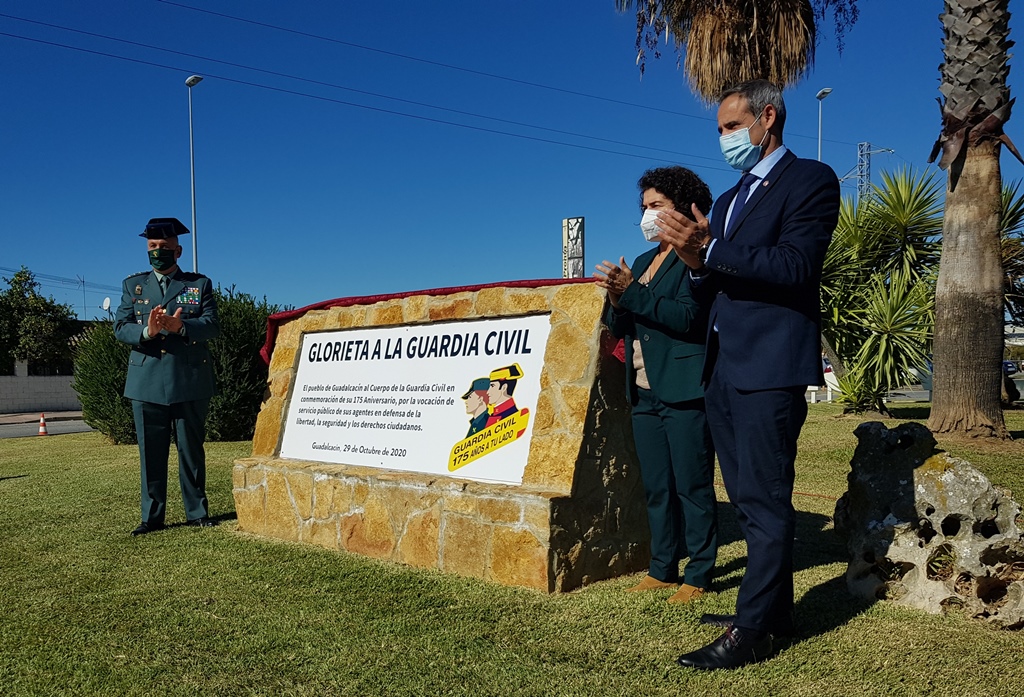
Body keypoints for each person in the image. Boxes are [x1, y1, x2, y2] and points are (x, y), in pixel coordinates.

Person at [655, 80, 841, 669]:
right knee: (746, 496)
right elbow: (714, 279)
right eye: (719, 130)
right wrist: (693, 262)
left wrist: (709, 252)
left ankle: (751, 628)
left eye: (732, 126)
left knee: (764, 499)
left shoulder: (810, 179)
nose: (725, 138)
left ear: (767, 118)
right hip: (723, 368)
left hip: (769, 367)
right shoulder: (732, 197)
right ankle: (771, 611)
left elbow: (794, 266)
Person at [594, 166, 717, 605]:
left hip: (684, 389)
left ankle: (699, 572)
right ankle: (662, 568)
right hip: (643, 390)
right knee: (657, 487)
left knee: (693, 487)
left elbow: (688, 318)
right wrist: (616, 297)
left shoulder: (695, 257)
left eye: (656, 206)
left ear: (684, 208)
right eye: (644, 207)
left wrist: (634, 293)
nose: (647, 215)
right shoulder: (643, 261)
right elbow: (620, 324)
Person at [114, 217, 221, 536]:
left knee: (191, 451)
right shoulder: (133, 286)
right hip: (146, 382)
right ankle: (152, 517)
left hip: (188, 380)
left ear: (178, 250)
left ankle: (196, 512)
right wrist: (148, 330)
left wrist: (182, 327)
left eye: (164, 247)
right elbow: (120, 327)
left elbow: (213, 324)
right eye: (152, 247)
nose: (157, 252)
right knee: (151, 453)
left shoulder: (198, 285)